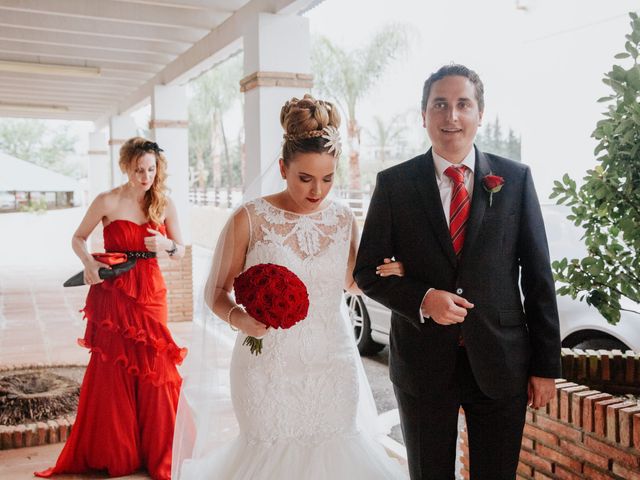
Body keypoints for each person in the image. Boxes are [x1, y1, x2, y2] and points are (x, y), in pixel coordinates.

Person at [172, 94, 407, 479]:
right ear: (283, 168)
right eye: (305, 178)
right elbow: (214, 293)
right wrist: (241, 320)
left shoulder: (344, 219)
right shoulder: (250, 218)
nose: (317, 191)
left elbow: (350, 281)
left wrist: (388, 274)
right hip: (267, 365)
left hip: (333, 362)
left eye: (328, 179)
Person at [354, 64, 562, 480]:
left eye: (462, 104)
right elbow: (367, 272)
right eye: (440, 105)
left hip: (502, 362)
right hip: (422, 364)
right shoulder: (395, 185)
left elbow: (538, 276)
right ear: (424, 114)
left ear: (479, 113)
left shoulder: (515, 180)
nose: (451, 116)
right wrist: (422, 298)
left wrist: (546, 366)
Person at [35, 137, 187, 480]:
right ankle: (119, 451)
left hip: (150, 291)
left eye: (151, 169)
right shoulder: (107, 200)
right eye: (139, 170)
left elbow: (180, 250)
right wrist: (88, 263)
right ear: (125, 167)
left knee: (155, 365)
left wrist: (167, 244)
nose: (146, 176)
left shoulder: (164, 203)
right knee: (113, 367)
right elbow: (78, 237)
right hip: (114, 290)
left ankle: (158, 451)